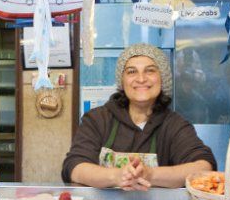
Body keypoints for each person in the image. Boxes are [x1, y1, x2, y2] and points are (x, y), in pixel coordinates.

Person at [62, 43, 216, 190]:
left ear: (162, 79)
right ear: (122, 81)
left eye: (150, 71)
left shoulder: (174, 125)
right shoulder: (97, 119)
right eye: (131, 71)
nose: (141, 79)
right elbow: (74, 167)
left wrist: (150, 175)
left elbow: (204, 166)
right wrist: (117, 176)